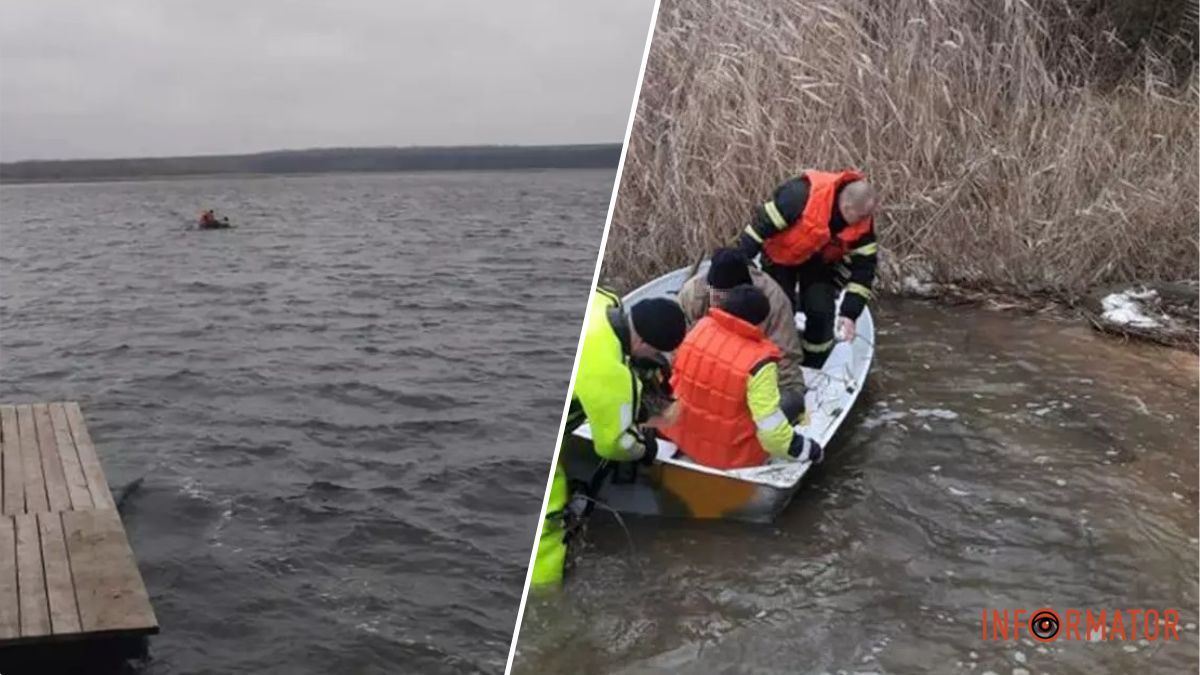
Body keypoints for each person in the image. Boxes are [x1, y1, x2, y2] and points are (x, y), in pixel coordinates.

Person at [530, 288, 687, 591]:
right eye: (655, 353)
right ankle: (543, 595)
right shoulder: (611, 372)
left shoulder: (606, 302)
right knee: (549, 519)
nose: (657, 360)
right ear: (641, 342)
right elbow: (614, 443)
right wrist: (645, 448)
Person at [661, 284, 823, 471]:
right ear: (761, 322)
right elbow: (772, 433)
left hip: (678, 434)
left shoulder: (699, 329)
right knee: (792, 402)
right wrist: (809, 450)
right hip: (729, 457)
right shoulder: (760, 362)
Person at [736, 170, 880, 369]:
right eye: (862, 216)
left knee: (821, 312)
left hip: (818, 262)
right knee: (779, 310)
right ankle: (769, 363)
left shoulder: (862, 222)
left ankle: (814, 365)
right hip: (779, 258)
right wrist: (737, 266)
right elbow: (757, 231)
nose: (866, 221)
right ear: (846, 207)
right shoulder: (798, 196)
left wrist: (850, 312)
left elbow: (864, 270)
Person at [676, 247, 803, 386]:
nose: (720, 304)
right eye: (716, 296)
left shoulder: (773, 300)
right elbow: (677, 346)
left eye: (726, 298)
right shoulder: (692, 294)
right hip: (705, 371)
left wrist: (790, 393)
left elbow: (785, 356)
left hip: (751, 374)